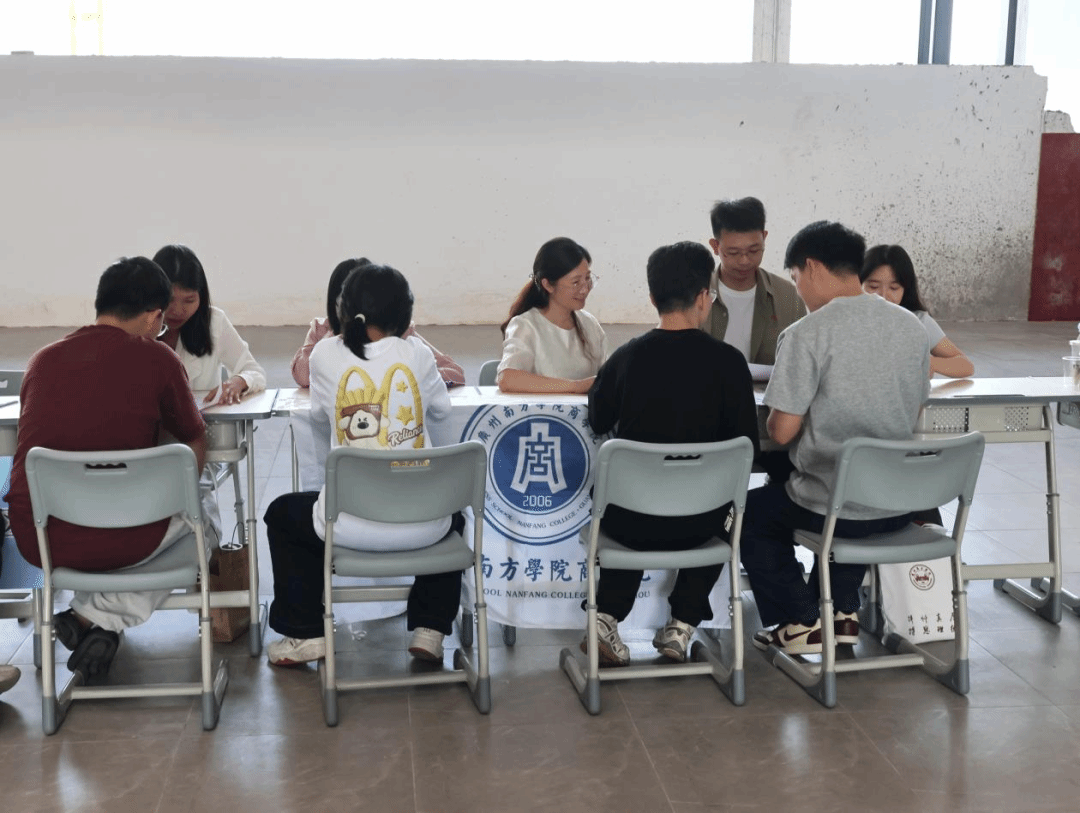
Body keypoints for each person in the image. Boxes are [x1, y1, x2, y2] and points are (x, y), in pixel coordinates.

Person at [4, 257, 209, 679]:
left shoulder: (41, 362)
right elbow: (193, 439)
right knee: (203, 526)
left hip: (41, 540)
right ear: (153, 316)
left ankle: (89, 619)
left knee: (129, 526)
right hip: (125, 537)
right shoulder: (157, 359)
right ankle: (94, 617)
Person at [741, 222, 930, 654]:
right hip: (897, 503)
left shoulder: (807, 332)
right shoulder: (912, 328)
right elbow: (912, 410)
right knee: (850, 490)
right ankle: (843, 611)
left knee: (753, 515)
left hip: (834, 506)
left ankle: (801, 619)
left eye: (795, 278)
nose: (798, 290)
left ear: (811, 267)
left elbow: (782, 431)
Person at [264, 263, 461, 666]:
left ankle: (305, 633)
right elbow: (442, 410)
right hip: (423, 525)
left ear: (342, 309)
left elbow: (318, 415)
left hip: (347, 524)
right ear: (405, 314)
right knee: (454, 512)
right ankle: (430, 629)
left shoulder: (324, 355)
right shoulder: (418, 354)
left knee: (283, 515)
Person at [586, 241, 760, 666]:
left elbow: (598, 418)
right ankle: (682, 624)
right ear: (704, 297)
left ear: (652, 298)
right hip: (702, 524)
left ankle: (605, 617)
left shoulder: (626, 358)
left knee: (626, 497)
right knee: (733, 507)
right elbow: (747, 449)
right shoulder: (729, 363)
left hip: (630, 522)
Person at [290, 257, 465, 389]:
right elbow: (303, 378)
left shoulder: (398, 331)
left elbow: (455, 373)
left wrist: (416, 379)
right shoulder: (322, 330)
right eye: (347, 301)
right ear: (335, 303)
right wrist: (340, 333)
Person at [703, 197, 806, 377]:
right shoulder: (694, 294)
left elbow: (800, 364)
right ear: (715, 246)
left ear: (764, 237)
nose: (745, 260)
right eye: (733, 253)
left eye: (754, 250)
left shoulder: (787, 295)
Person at [153, 244, 266, 405]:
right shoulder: (133, 324)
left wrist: (239, 381)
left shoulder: (214, 321)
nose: (178, 311)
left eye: (189, 300)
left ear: (201, 296)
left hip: (202, 420)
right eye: (169, 300)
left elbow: (254, 371)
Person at [497, 237, 606, 394]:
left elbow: (608, 376)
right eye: (576, 282)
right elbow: (508, 379)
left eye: (588, 278)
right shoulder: (525, 325)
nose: (585, 289)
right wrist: (577, 387)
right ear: (547, 284)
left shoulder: (589, 324)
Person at [860, 244, 975, 378]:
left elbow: (966, 366)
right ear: (858, 284)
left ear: (905, 289)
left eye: (894, 288)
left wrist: (931, 363)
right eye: (873, 286)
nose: (883, 296)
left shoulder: (918, 322)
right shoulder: (848, 319)